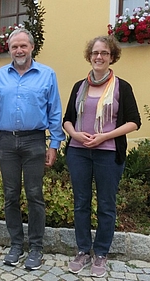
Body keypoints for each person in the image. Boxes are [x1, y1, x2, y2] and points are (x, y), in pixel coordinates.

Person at [0, 28, 65, 270]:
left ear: (31, 47)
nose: (19, 50)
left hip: (34, 141)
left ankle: (36, 248)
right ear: (9, 50)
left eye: (23, 46)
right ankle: (16, 245)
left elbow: (55, 111)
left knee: (34, 195)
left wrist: (55, 143)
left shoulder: (47, 75)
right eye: (14, 47)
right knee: (10, 195)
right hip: (6, 142)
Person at [63, 35, 141, 278]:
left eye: (104, 53)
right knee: (81, 204)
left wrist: (104, 137)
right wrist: (76, 134)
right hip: (79, 153)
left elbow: (134, 122)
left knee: (106, 206)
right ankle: (83, 251)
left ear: (112, 57)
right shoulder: (79, 87)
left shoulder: (122, 87)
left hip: (108, 154)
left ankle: (101, 254)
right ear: (90, 56)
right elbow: (67, 119)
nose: (99, 57)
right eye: (95, 52)